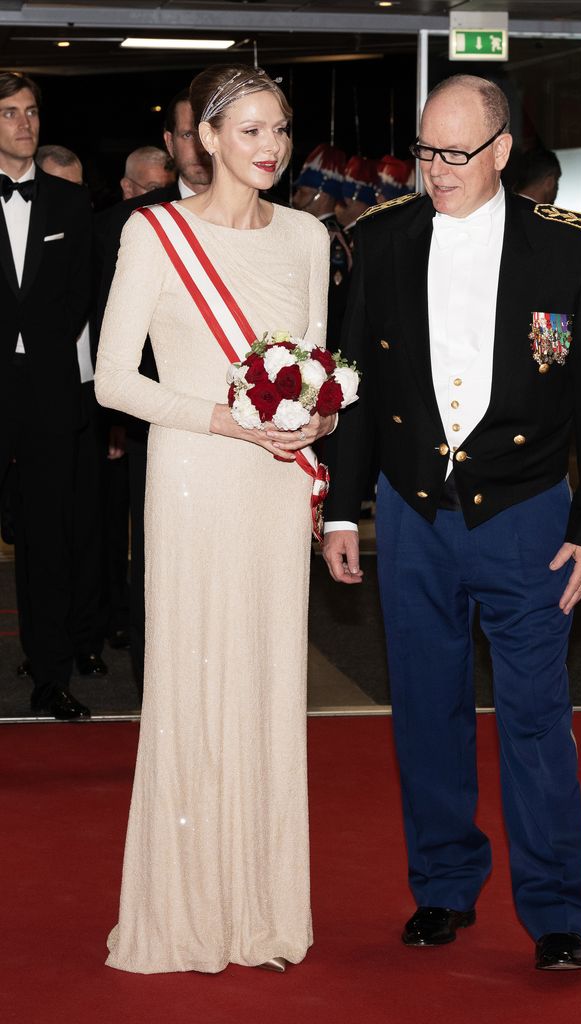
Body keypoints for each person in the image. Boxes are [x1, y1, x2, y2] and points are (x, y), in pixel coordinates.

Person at [323, 74, 581, 972]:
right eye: (425, 150)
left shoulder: (565, 253)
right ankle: (444, 889)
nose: (437, 169)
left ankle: (558, 912)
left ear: (500, 153)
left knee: (535, 717)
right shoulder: (376, 242)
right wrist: (344, 508)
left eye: (457, 153)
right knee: (426, 710)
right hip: (414, 518)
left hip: (528, 517)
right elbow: (357, 390)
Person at [95, 63, 333, 974]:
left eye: (280, 130)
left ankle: (264, 912)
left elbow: (314, 363)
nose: (270, 147)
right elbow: (116, 379)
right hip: (197, 474)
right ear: (206, 140)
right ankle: (186, 910)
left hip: (276, 487)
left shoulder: (311, 237)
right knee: (195, 677)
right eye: (250, 131)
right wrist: (224, 418)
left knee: (270, 679)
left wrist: (316, 418)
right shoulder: (154, 233)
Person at [96, 87, 212, 691]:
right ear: (171, 145)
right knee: (158, 559)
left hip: (245, 427)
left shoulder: (282, 227)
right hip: (155, 417)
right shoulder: (134, 223)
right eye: (187, 133)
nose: (198, 145)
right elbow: (109, 337)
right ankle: (157, 688)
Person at [0, 72, 92, 720]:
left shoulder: (68, 201)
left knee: (47, 541)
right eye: (9, 113)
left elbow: (82, 295)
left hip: (50, 395)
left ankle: (51, 676)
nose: (24, 125)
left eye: (31, 112)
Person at [292, 142, 350, 347]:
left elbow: (331, 303)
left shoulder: (330, 238)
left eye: (302, 191)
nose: (295, 197)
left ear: (322, 194)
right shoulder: (308, 230)